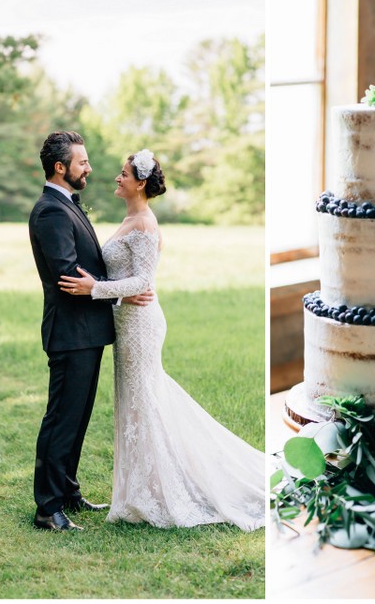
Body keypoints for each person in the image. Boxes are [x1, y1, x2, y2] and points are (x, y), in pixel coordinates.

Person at [57, 149, 265, 531]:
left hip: (140, 325)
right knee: (134, 404)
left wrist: (94, 289)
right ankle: (140, 488)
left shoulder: (145, 225)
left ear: (140, 183)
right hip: (125, 319)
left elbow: (143, 283)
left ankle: (161, 491)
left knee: (145, 403)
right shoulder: (130, 220)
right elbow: (129, 281)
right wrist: (113, 291)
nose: (116, 178)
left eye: (123, 174)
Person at [27, 131, 154, 531]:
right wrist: (115, 295)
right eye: (82, 162)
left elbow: (92, 272)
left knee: (78, 416)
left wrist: (114, 291)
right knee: (62, 418)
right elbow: (69, 277)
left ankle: (68, 491)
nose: (90, 168)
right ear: (60, 167)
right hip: (70, 332)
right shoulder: (50, 211)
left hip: (88, 330)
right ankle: (48, 506)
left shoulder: (66, 205)